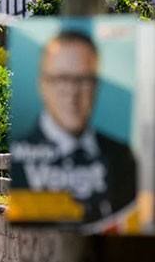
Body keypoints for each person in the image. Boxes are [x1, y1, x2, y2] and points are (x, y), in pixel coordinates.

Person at [11, 30, 136, 223]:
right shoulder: (19, 160)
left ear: (96, 85)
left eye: (83, 80)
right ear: (43, 84)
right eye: (61, 79)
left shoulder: (123, 158)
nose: (72, 92)